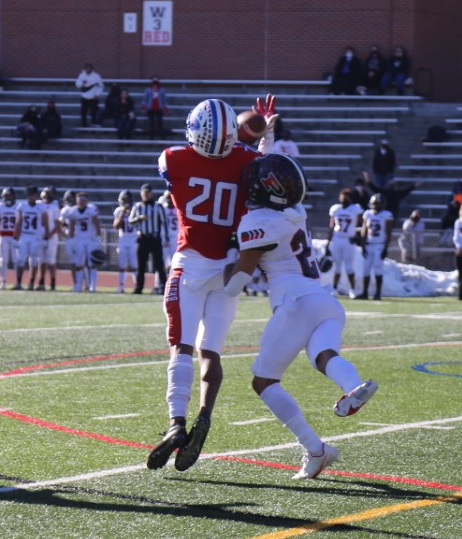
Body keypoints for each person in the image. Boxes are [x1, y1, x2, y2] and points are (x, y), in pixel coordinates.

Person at [223, 152, 378, 480]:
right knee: (323, 355)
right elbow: (276, 181)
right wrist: (267, 138)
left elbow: (235, 284)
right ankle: (353, 386)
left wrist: (219, 266)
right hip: (325, 300)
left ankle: (315, 448)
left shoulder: (259, 223)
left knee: (263, 381)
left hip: (296, 303)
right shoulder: (294, 212)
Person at [147, 96, 276, 473]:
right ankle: (205, 415)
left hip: (189, 264)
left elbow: (180, 180)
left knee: (181, 348)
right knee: (211, 353)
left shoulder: (173, 159)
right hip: (229, 268)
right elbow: (261, 167)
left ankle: (177, 423)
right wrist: (264, 132)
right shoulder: (249, 161)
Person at [128, 183, 167, 294]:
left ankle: (164, 287)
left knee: (159, 264)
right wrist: (139, 219)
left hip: (155, 238)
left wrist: (166, 238)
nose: (146, 195)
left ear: (151, 193)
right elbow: (130, 221)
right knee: (141, 265)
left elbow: (164, 222)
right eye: (144, 193)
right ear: (141, 194)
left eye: (148, 192)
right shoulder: (137, 206)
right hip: (142, 238)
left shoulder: (158, 206)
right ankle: (139, 288)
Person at [325, 189, 362, 297]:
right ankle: (334, 289)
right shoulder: (335, 209)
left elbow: (364, 224)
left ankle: (353, 289)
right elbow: (331, 226)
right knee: (337, 266)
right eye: (342, 196)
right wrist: (328, 242)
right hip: (337, 239)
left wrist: (357, 235)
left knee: (349, 267)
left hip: (348, 240)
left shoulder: (355, 209)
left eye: (346, 197)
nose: (344, 199)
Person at [64, 191, 101, 292]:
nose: (81, 202)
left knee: (92, 263)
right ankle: (78, 285)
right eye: (79, 200)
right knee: (78, 263)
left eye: (83, 200)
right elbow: (71, 226)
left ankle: (93, 286)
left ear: (87, 201)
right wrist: (71, 240)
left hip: (90, 239)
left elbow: (96, 223)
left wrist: (98, 238)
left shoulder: (91, 209)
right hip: (79, 239)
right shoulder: (73, 211)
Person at [359, 193, 393, 300]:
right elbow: (364, 230)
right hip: (369, 244)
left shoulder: (386, 215)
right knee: (366, 269)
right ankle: (364, 292)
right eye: (375, 204)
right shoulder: (368, 214)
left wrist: (385, 248)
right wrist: (363, 245)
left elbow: (388, 232)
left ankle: (378, 293)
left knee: (377, 270)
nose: (377, 206)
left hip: (379, 245)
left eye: (378, 204)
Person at [14, 187, 47, 291]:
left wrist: (46, 236)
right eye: (30, 195)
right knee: (20, 260)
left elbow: (45, 222)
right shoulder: (22, 206)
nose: (32, 197)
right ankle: (18, 283)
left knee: (33, 261)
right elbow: (18, 222)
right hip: (24, 235)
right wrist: (16, 237)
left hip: (35, 236)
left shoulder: (41, 207)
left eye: (34, 195)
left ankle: (31, 283)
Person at [112, 190, 137, 293]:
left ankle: (137, 285)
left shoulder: (136, 209)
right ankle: (121, 286)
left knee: (135, 265)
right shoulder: (118, 210)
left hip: (134, 239)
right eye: (123, 200)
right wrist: (123, 212)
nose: (125, 202)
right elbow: (116, 226)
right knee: (122, 265)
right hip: (123, 239)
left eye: (126, 200)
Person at [40, 187, 61, 291]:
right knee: (41, 261)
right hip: (40, 237)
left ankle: (52, 283)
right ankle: (41, 282)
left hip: (51, 237)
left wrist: (49, 234)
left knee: (51, 261)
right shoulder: (39, 205)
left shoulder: (54, 207)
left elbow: (58, 225)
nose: (47, 196)